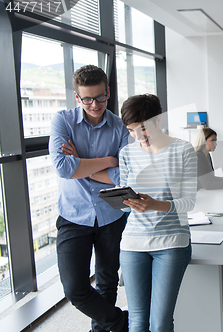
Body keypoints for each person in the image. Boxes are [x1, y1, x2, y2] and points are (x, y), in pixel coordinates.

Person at [49, 65, 129, 332]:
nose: (95, 104)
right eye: (87, 99)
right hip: (73, 215)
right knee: (75, 288)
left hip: (111, 213)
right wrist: (108, 161)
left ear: (108, 92)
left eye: (100, 97)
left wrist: (81, 165)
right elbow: (63, 167)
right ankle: (120, 322)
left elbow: (124, 174)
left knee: (107, 282)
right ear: (77, 97)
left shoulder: (120, 127)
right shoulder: (62, 121)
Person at [119, 94, 197, 332]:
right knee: (137, 322)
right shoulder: (127, 153)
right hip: (133, 242)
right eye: (131, 130)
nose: (138, 136)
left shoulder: (183, 150)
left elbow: (189, 202)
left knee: (160, 323)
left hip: (171, 242)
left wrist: (155, 205)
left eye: (142, 128)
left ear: (158, 120)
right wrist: (122, 199)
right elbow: (125, 202)